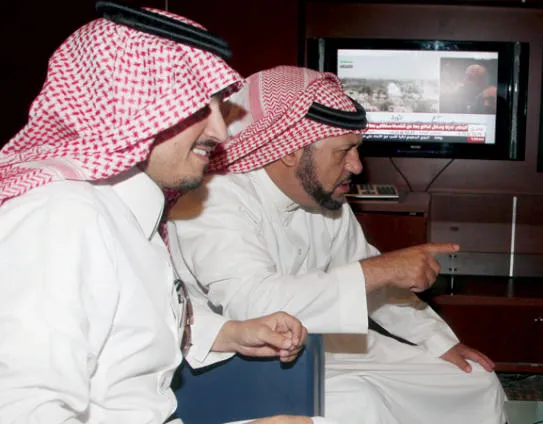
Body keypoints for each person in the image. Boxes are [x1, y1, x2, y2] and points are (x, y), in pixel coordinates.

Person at [0, 7, 322, 424]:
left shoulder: (126, 213)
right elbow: (22, 410)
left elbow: (124, 328)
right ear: (126, 104)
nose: (220, 132)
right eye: (197, 107)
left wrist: (227, 333)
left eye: (218, 107)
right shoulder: (60, 216)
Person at [168, 66, 508, 424]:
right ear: (290, 151)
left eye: (357, 149)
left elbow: (376, 284)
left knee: (474, 381)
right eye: (344, 151)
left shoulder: (323, 198)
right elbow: (254, 305)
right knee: (362, 403)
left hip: (317, 345)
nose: (357, 166)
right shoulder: (212, 200)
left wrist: (438, 340)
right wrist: (382, 269)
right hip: (234, 362)